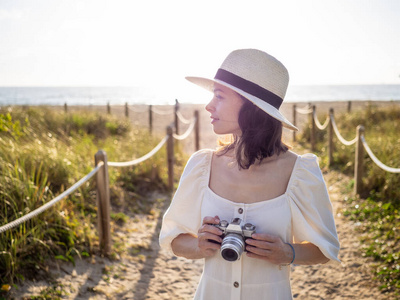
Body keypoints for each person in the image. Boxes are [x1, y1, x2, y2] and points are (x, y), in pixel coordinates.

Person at [159, 49, 340, 300]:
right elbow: (174, 240)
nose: (209, 105)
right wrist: (200, 244)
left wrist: (288, 253)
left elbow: (326, 250)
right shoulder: (202, 166)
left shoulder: (300, 173)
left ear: (252, 105)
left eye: (219, 96)